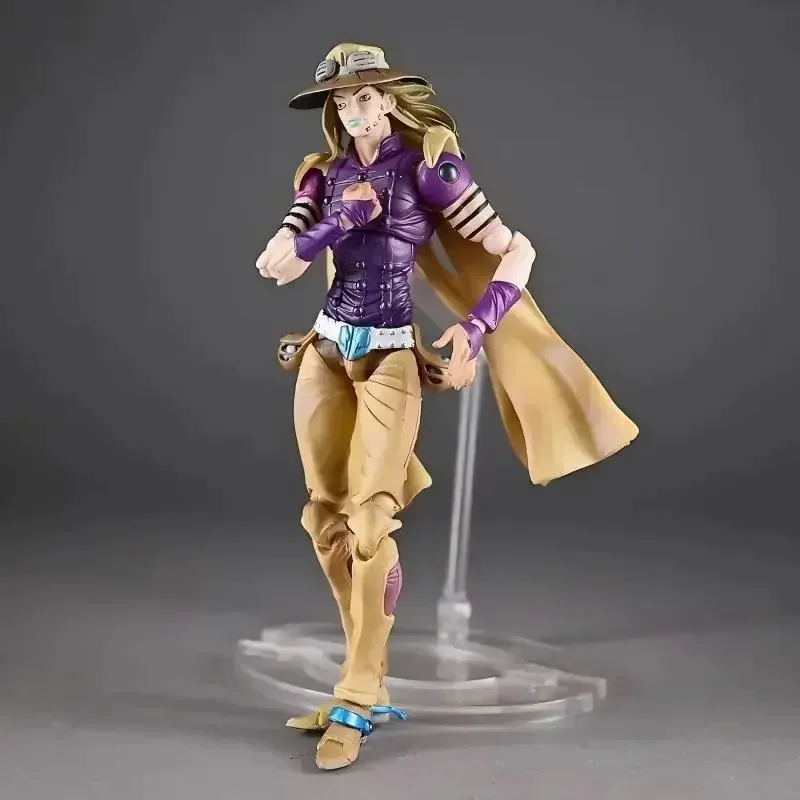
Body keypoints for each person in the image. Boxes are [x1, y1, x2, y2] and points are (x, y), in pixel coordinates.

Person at [255, 42, 639, 771]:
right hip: (326, 349)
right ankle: (362, 674)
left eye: (366, 96)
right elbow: (278, 264)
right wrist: (331, 224)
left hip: (391, 354)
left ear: (389, 99)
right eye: (341, 100)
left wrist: (476, 326)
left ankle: (356, 696)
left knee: (371, 521)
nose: (354, 110)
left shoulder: (431, 170)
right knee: (323, 518)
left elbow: (517, 250)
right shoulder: (323, 175)